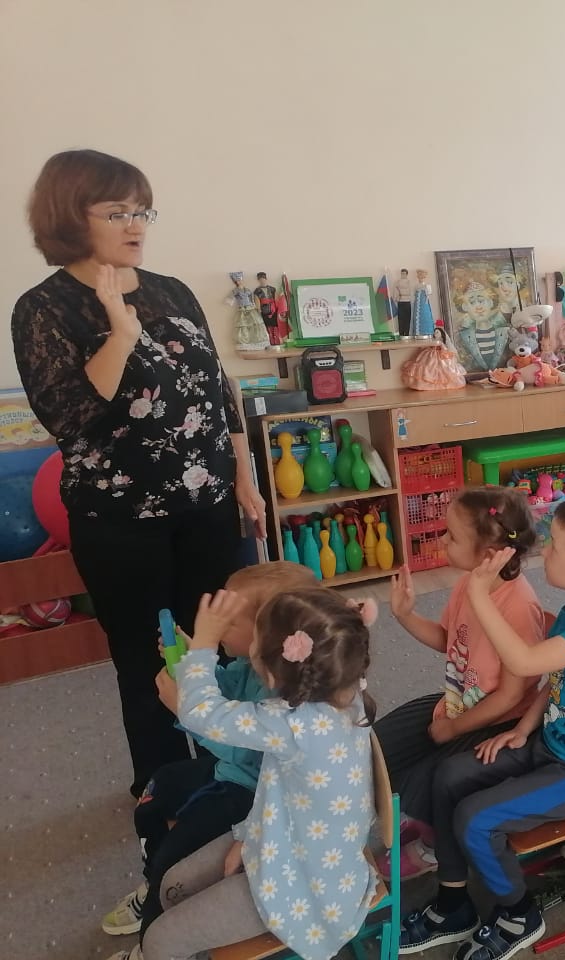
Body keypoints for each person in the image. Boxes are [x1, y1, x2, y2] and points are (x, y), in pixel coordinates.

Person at [11, 149, 267, 798]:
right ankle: (164, 781)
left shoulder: (171, 290)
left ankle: (229, 769)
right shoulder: (44, 309)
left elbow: (218, 388)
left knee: (222, 640)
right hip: (121, 521)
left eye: (142, 211)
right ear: (72, 216)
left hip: (209, 505)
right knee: (146, 653)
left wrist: (243, 475)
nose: (135, 225)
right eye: (117, 212)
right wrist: (120, 334)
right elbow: (68, 416)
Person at [398, 497, 565, 959]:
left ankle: (518, 913)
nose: (544, 550)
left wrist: (478, 593)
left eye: (555, 545)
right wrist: (524, 727)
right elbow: (555, 679)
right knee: (448, 775)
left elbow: (526, 661)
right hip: (551, 745)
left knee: (475, 818)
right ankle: (453, 903)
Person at [108, 587, 381, 960]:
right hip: (288, 837)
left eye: (255, 641)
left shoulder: (292, 723)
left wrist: (205, 643)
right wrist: (255, 835)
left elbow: (199, 712)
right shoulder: (342, 690)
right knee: (172, 885)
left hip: (304, 891)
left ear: (272, 669)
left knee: (159, 940)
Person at [101, 561, 315, 945]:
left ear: (267, 635)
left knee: (173, 860)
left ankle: (153, 924)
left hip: (252, 793)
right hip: (231, 772)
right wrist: (193, 661)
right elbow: (224, 688)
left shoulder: (283, 693)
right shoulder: (251, 664)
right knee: (158, 788)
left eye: (227, 622)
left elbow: (243, 753)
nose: (216, 630)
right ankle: (153, 881)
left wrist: (186, 711)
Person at [372, 488, 544, 879]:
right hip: (459, 700)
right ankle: (425, 818)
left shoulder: (519, 606)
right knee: (381, 745)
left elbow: (511, 695)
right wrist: (405, 615)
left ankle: (434, 842)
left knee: (429, 779)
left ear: (489, 554)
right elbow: (449, 640)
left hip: (497, 721)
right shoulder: (469, 584)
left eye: (451, 536)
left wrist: (453, 728)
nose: (442, 540)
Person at [395, 268, 414, 338]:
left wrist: (403, 292)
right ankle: (401, 334)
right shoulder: (398, 282)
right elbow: (396, 290)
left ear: (407, 274)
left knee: (407, 319)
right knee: (401, 319)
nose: (403, 275)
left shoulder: (409, 282)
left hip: (407, 302)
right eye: (402, 273)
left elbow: (410, 291)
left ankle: (406, 334)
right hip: (400, 302)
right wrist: (397, 296)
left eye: (404, 273)